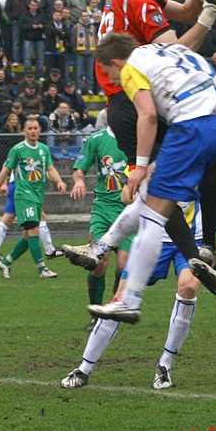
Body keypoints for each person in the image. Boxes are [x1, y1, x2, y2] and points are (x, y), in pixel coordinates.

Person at [65, 33, 216, 323]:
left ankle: (128, 298)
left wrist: (140, 165)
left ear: (114, 62)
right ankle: (100, 249)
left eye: (110, 74)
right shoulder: (180, 53)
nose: (113, 80)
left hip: (189, 130)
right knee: (153, 199)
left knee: (153, 211)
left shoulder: (131, 67)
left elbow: (147, 115)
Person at [61, 153, 216, 389]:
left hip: (193, 241)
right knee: (122, 298)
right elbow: (127, 195)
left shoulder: (215, 149)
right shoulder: (159, 149)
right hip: (153, 234)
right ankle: (84, 368)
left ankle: (165, 365)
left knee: (188, 288)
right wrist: (135, 192)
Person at [69, 125, 135, 331]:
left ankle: (114, 306)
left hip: (129, 211)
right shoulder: (96, 139)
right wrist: (78, 181)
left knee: (124, 266)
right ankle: (95, 314)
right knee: (99, 262)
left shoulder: (136, 136)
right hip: (103, 210)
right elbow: (79, 170)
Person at [0, 119, 67, 278]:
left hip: (37, 196)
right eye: (29, 128)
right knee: (33, 230)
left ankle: (6, 263)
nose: (33, 131)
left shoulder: (44, 149)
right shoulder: (18, 150)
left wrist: (59, 181)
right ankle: (42, 269)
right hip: (23, 195)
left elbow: (50, 168)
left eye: (35, 128)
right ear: (24, 131)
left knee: (28, 235)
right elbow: (4, 171)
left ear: (40, 130)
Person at [0, 176, 64, 261]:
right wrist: (3, 183)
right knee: (39, 218)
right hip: (21, 187)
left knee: (8, 218)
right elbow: (6, 166)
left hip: (20, 186)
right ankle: (49, 251)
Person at [71, 10, 97, 94]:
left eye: (86, 16)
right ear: (81, 17)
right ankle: (78, 88)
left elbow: (95, 38)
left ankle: (89, 88)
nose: (85, 17)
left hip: (91, 52)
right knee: (78, 73)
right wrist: (75, 50)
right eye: (83, 16)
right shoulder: (76, 27)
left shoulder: (93, 27)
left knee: (89, 73)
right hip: (80, 53)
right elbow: (73, 39)